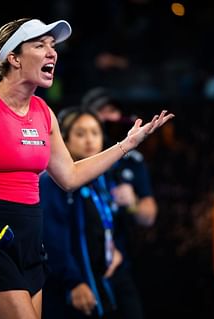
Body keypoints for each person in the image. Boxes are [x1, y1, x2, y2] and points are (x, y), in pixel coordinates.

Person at [0, 17, 174, 319]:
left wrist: (125, 146)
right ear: (13, 58)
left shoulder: (44, 113)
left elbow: (69, 176)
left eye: (53, 46)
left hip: (30, 242)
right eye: (40, 45)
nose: (52, 52)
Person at [81, 87, 159, 319]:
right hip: (82, 267)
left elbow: (149, 216)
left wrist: (133, 202)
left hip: (120, 263)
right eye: (101, 112)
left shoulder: (131, 160)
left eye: (113, 111)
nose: (109, 118)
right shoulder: (72, 164)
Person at [39, 107, 124, 318]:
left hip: (98, 280)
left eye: (95, 133)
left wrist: (114, 249)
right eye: (80, 133)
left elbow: (106, 224)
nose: (89, 140)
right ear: (64, 140)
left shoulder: (100, 179)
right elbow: (52, 237)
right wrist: (74, 282)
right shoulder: (52, 181)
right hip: (67, 288)